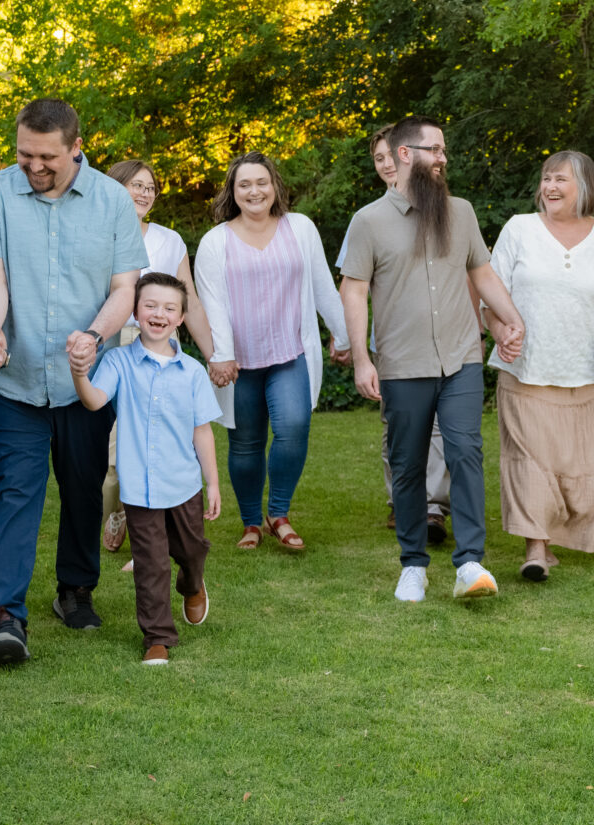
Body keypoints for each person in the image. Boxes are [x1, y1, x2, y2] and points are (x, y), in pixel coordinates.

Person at [0, 98, 148, 665]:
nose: (34, 166)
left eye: (47, 157)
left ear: (76, 149)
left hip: (87, 380)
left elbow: (124, 288)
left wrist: (93, 336)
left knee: (83, 485)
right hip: (14, 381)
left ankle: (75, 589)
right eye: (24, 154)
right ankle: (4, 617)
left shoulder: (114, 201)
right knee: (16, 491)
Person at [339, 116, 526, 602]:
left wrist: (511, 320)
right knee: (407, 464)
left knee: (466, 452)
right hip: (402, 364)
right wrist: (363, 359)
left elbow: (481, 273)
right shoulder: (369, 222)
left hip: (461, 358)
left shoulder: (460, 212)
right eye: (434, 149)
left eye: (443, 150)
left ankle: (469, 563)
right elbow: (354, 293)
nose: (443, 157)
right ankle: (413, 565)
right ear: (406, 155)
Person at [195, 152, 351, 552]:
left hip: (290, 352)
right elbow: (211, 301)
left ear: (275, 186)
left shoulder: (299, 228)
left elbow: (322, 287)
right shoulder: (216, 241)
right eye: (244, 184)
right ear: (233, 191)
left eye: (261, 182)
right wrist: (221, 355)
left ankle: (278, 513)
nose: (254, 191)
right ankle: (251, 522)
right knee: (244, 444)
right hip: (239, 362)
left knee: (294, 426)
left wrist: (344, 335)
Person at [483, 151, 594, 582]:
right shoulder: (519, 229)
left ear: (585, 186)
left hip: (581, 371)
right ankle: (536, 550)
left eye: (560, 179)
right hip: (524, 367)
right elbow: (490, 292)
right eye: (545, 179)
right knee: (530, 462)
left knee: (583, 474)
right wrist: (499, 330)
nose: (550, 187)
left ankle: (553, 537)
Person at [70, 274, 221, 665]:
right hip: (139, 487)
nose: (159, 314)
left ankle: (192, 582)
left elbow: (201, 431)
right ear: (135, 312)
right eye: (150, 305)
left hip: (184, 484)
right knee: (151, 562)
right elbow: (94, 401)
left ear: (182, 317)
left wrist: (213, 482)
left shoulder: (192, 373)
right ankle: (157, 636)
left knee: (191, 550)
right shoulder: (119, 361)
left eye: (170, 308)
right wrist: (79, 374)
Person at [98, 159, 216, 568]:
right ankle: (117, 510)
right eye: (136, 185)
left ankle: (150, 544)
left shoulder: (169, 240)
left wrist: (214, 355)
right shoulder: (100, 234)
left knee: (169, 443)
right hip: (119, 346)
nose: (145, 193)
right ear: (115, 188)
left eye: (150, 187)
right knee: (117, 450)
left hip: (163, 346)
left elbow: (192, 302)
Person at [338, 126, 454, 542]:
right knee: (400, 426)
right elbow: (353, 287)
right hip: (391, 345)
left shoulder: (447, 210)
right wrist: (349, 344)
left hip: (444, 343)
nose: (386, 164)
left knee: (441, 427)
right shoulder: (367, 220)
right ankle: (402, 501)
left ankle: (434, 508)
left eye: (390, 156)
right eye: (378, 159)